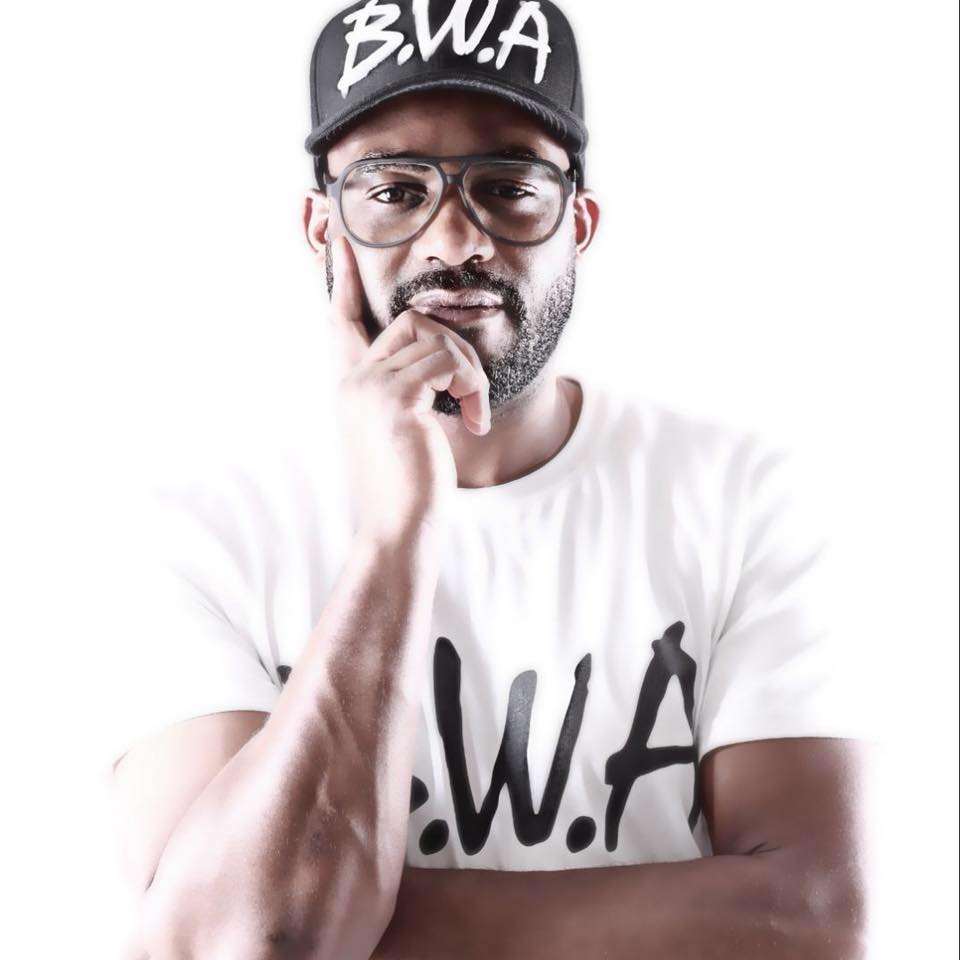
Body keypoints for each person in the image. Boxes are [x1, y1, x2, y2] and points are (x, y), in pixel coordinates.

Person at [109, 2, 874, 958]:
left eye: (509, 186)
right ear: (321, 228)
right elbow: (229, 940)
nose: (453, 240)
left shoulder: (741, 498)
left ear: (578, 224)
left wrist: (353, 916)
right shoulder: (203, 534)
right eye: (395, 190)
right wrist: (398, 531)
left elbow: (813, 918)